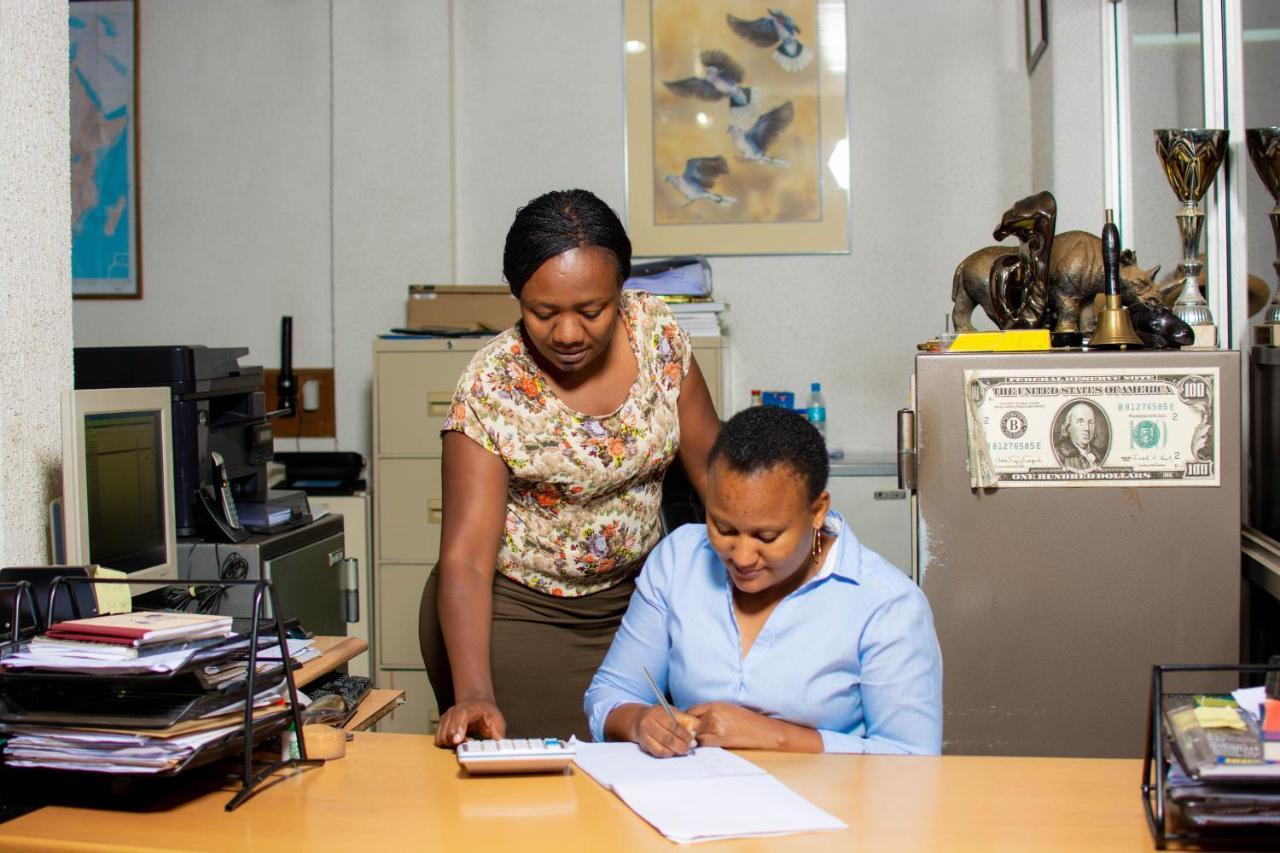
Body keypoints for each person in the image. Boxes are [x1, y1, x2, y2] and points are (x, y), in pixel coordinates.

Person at [421, 188, 721, 746]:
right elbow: (463, 558)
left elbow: (714, 474)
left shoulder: (659, 338)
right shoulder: (492, 386)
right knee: (546, 793)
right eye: (543, 312)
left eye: (591, 310)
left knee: (659, 772)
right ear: (517, 297)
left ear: (621, 292)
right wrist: (476, 693)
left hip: (642, 604)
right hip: (519, 612)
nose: (567, 333)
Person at [584, 406, 942, 756]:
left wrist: (775, 737)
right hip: (696, 805)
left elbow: (912, 757)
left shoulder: (886, 604)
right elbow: (612, 691)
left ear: (817, 511)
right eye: (723, 528)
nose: (741, 557)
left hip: (832, 810)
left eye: (767, 537)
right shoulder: (678, 561)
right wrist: (640, 721)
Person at [1054, 401, 1107, 471]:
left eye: (1090, 423)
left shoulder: (1100, 455)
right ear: (1069, 427)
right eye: (1080, 422)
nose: (1087, 428)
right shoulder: (1058, 454)